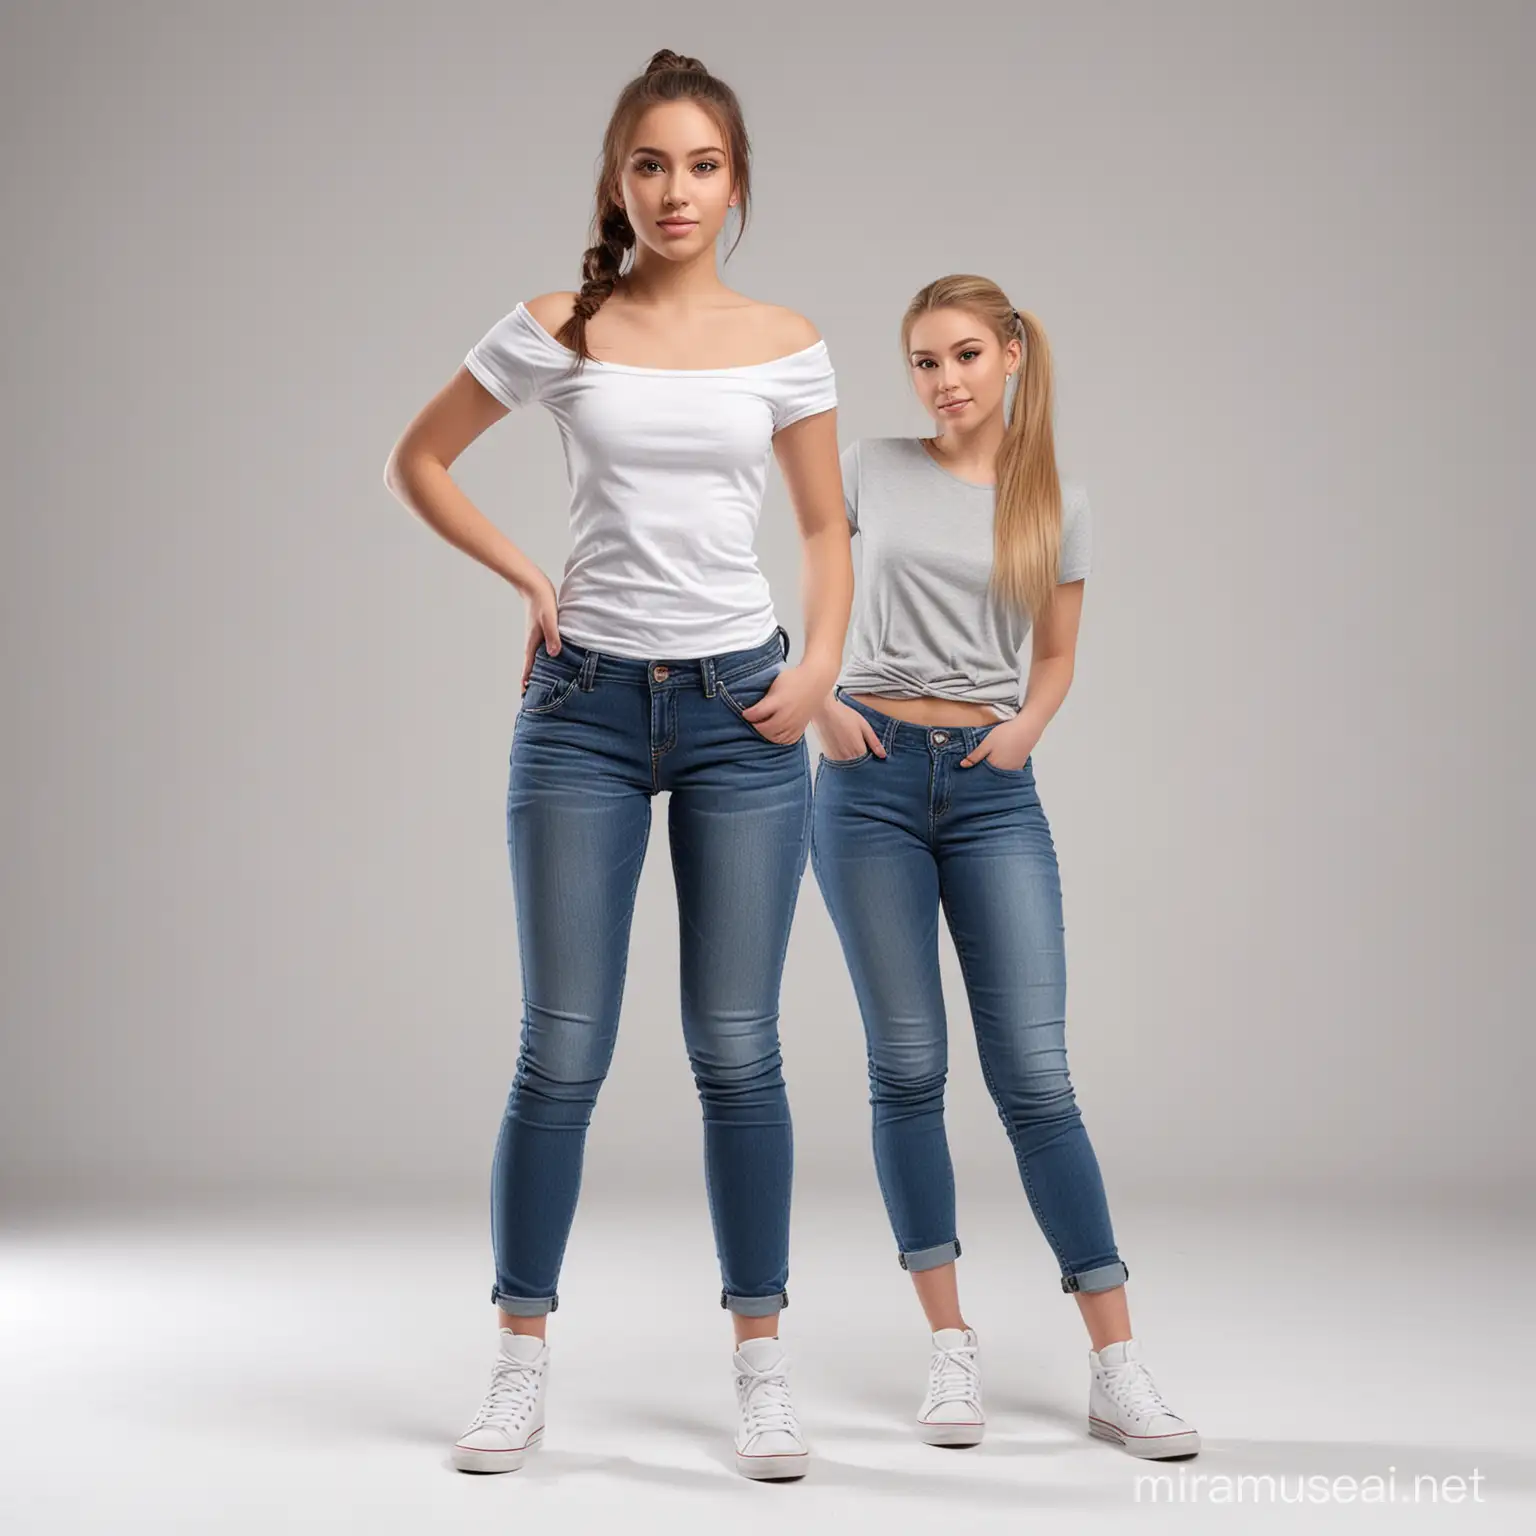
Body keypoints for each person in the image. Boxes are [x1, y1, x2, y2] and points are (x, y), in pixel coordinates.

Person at [383, 49, 851, 1481]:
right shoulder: (555, 326)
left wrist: (817, 667)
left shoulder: (786, 340)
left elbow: (828, 533)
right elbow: (420, 460)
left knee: (738, 1048)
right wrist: (532, 582)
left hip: (741, 714)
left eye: (701, 164)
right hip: (581, 710)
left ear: (737, 181)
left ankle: (761, 1365)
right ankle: (520, 1360)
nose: (675, 190)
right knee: (563, 1046)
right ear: (616, 177)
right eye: (650, 163)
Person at [809, 274, 1199, 1460]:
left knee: (1035, 1078)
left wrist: (1024, 730)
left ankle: (1117, 1367)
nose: (946, 382)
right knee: (907, 1066)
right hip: (867, 779)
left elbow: (1060, 655)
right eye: (925, 362)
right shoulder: (870, 466)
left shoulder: (1054, 502)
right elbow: (817, 603)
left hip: (991, 791)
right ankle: (950, 1346)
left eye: (966, 355)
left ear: (1015, 354)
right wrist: (818, 699)